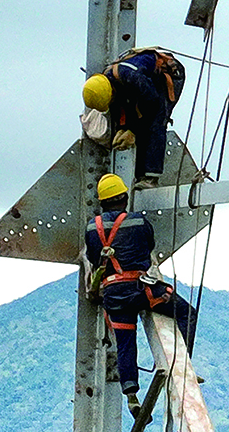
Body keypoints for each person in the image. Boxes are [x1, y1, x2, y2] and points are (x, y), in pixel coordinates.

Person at [83, 174, 197, 410]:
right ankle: (184, 367)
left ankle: (131, 394)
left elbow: (94, 259)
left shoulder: (91, 228)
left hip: (113, 296)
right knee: (187, 313)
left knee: (125, 343)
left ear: (102, 202)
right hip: (141, 289)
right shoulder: (138, 221)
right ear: (125, 197)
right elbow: (148, 248)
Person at [83, 46, 186, 187]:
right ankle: (139, 176)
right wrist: (122, 127)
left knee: (156, 121)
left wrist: (133, 131)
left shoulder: (130, 76)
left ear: (110, 92)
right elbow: (122, 107)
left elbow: (152, 102)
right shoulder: (109, 81)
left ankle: (151, 176)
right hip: (147, 81)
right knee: (140, 118)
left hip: (168, 74)